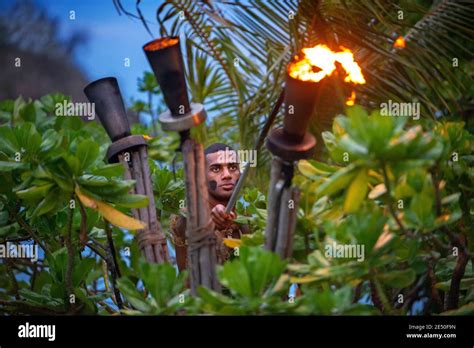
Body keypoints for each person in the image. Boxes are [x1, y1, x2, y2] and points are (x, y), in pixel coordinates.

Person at [170, 143, 250, 271]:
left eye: (233, 167)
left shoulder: (248, 214)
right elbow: (186, 225)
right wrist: (209, 222)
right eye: (216, 169)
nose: (227, 175)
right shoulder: (185, 216)